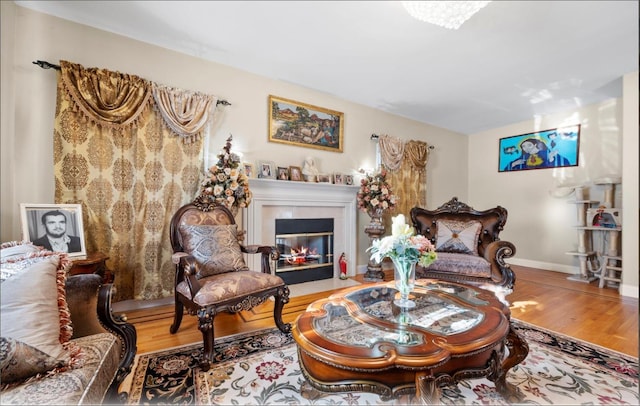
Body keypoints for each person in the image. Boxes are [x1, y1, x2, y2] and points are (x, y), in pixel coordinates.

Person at [504, 137, 570, 171]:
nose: (526, 148)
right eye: (523, 146)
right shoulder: (523, 157)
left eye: (529, 145)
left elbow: (565, 164)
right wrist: (514, 164)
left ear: (535, 144)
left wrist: (551, 159)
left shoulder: (547, 153)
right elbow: (506, 170)